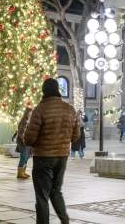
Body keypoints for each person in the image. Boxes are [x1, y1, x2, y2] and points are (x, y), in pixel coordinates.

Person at [23, 78, 80, 224]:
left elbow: (29, 138)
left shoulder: (40, 109)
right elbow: (76, 135)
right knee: (56, 191)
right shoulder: (69, 109)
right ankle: (65, 220)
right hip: (62, 156)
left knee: (42, 196)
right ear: (57, 90)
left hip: (43, 157)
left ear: (44, 91)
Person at [16, 106, 33, 178]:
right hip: (23, 142)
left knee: (27, 156)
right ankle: (20, 173)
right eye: (30, 113)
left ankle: (23, 171)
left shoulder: (30, 121)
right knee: (23, 156)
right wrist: (24, 140)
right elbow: (21, 132)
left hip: (28, 141)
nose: (31, 114)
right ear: (27, 113)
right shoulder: (24, 121)